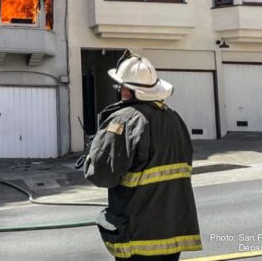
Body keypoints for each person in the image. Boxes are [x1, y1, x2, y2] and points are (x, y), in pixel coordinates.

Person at [83, 51, 201, 261]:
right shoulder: (174, 118)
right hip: (173, 230)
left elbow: (101, 175)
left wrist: (95, 152)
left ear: (128, 89)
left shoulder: (124, 120)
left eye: (120, 86)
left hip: (138, 234)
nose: (119, 90)